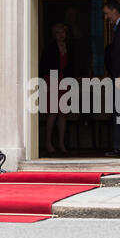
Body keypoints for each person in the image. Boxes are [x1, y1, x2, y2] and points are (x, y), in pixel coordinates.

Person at [40, 23, 74, 155]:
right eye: (58, 32)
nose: (61, 35)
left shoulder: (69, 47)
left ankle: (61, 143)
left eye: (63, 32)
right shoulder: (49, 47)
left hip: (65, 81)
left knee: (63, 113)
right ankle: (48, 142)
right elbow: (43, 64)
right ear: (54, 34)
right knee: (52, 112)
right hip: (52, 79)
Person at [103, 0, 120, 158]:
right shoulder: (119, 26)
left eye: (107, 13)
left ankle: (119, 147)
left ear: (114, 10)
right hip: (117, 76)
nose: (106, 17)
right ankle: (119, 145)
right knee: (118, 111)